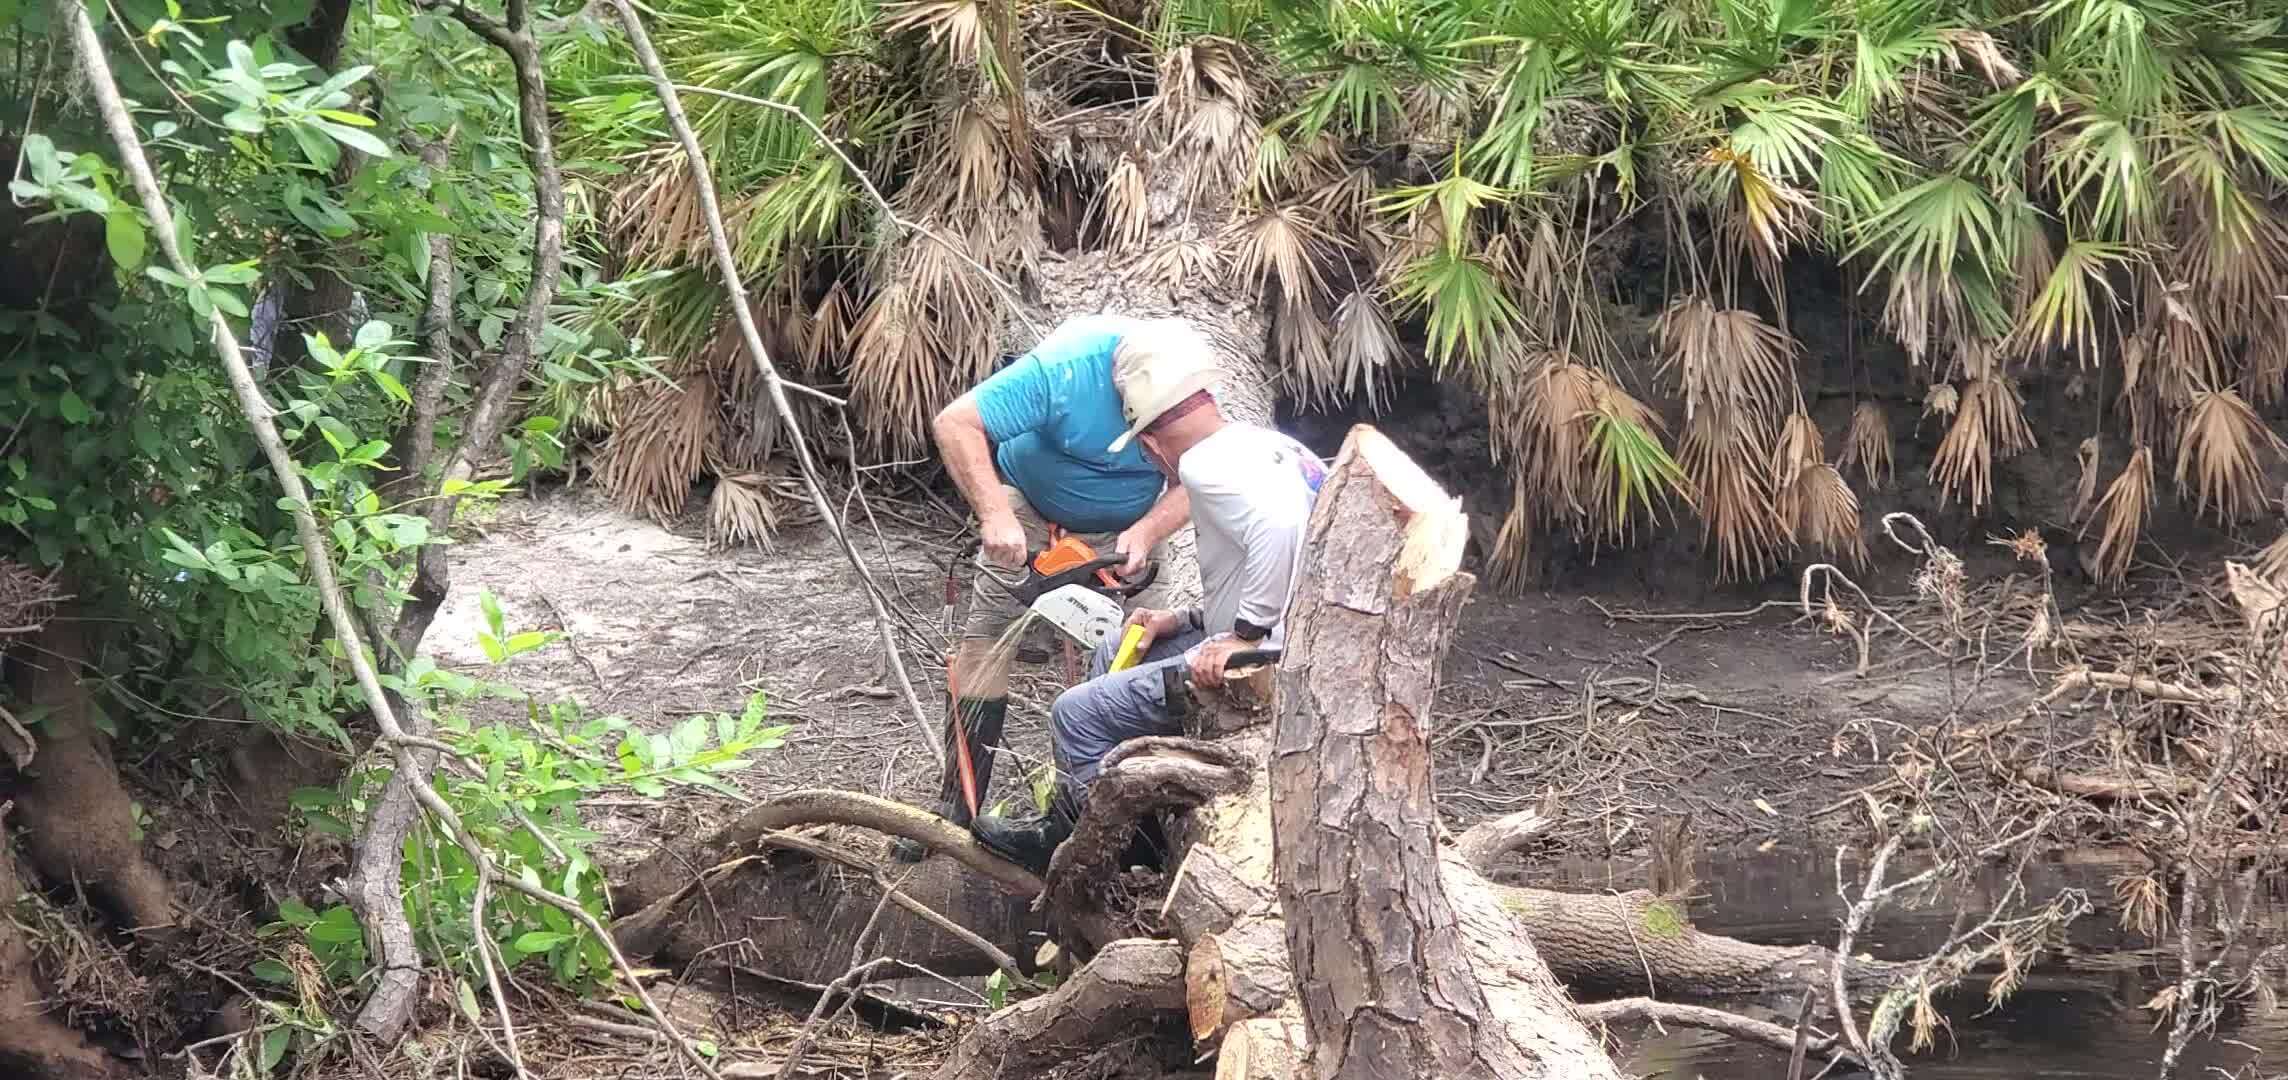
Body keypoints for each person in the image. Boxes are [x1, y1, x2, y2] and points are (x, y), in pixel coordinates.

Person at [968, 340, 1326, 873]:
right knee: (1120, 644)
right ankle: (1126, 798)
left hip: (1265, 660)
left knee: (1076, 714)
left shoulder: (1203, 465)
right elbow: (1282, 565)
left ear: (1153, 440)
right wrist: (1186, 620)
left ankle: (1106, 850)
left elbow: (1281, 530)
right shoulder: (1266, 446)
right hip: (1299, 635)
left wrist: (1246, 636)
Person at [891, 315, 1201, 861]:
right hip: (1029, 507)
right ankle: (957, 805)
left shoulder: (1192, 390)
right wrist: (994, 516)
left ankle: (1125, 818)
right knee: (987, 639)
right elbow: (957, 423)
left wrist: (1147, 532)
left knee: (1148, 655)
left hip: (1132, 524)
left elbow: (1201, 475)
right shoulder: (1068, 370)